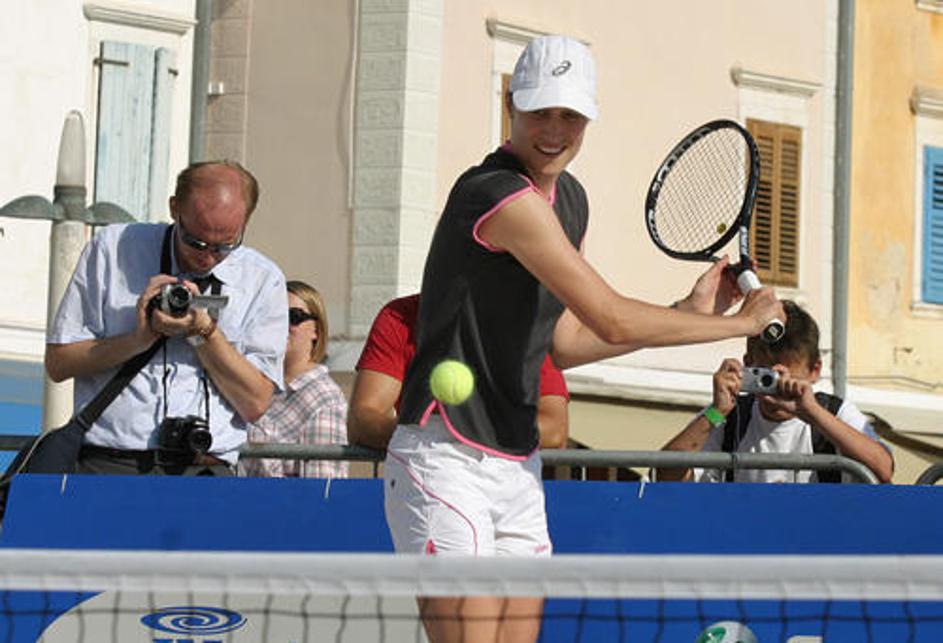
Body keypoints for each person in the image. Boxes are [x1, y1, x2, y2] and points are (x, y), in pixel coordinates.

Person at [382, 34, 785, 643]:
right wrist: (740, 323)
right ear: (510, 105)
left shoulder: (569, 200)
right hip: (445, 458)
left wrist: (684, 311)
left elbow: (566, 340)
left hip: (516, 463)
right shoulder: (495, 194)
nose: (554, 130)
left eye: (570, 115)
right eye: (539, 111)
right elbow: (611, 317)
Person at [45, 160, 288, 475]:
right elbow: (59, 363)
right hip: (112, 462)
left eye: (225, 245)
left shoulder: (262, 279)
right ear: (174, 209)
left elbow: (256, 403)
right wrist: (137, 340)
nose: (208, 257)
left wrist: (203, 333)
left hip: (205, 466)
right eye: (196, 242)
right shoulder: (115, 249)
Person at [656, 300, 894, 483]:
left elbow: (883, 469)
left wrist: (813, 413)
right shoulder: (729, 416)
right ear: (747, 365)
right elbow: (665, 475)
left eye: (786, 378)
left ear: (815, 370)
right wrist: (716, 412)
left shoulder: (831, 412)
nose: (776, 388)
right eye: (766, 377)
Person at [348, 293, 569, 450]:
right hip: (426, 474)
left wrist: (462, 430)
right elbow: (361, 422)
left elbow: (555, 431)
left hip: (506, 481)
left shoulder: (524, 323)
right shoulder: (401, 316)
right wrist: (426, 435)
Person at [240, 280, 349, 478]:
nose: (280, 325)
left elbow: (321, 488)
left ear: (316, 330)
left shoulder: (325, 398)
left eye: (293, 317)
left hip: (275, 498)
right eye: (272, 316)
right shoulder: (254, 382)